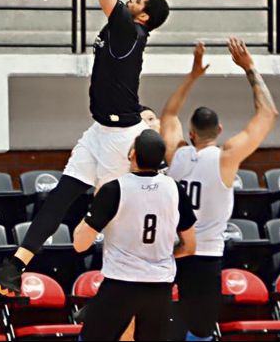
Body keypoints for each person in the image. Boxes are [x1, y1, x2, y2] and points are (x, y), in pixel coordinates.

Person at [0, 0, 170, 296]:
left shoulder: (126, 29)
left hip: (120, 139)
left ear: (144, 15)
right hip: (100, 131)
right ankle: (13, 269)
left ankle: (132, 282)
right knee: (60, 198)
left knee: (114, 215)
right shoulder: (127, 32)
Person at [160, 38, 279, 342]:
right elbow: (268, 115)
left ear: (190, 132)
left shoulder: (176, 153)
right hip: (205, 255)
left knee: (157, 322)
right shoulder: (226, 157)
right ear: (220, 130)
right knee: (199, 331)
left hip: (170, 251)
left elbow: (169, 114)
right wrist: (249, 67)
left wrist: (193, 75)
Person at [73, 129, 197, 341]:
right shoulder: (175, 189)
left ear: (131, 154)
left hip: (121, 285)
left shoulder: (114, 189)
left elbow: (80, 244)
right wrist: (160, 259)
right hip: (160, 287)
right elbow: (190, 246)